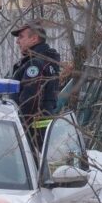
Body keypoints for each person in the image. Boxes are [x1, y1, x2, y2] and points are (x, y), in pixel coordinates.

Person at [7, 20, 61, 150]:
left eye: (21, 37)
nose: (17, 41)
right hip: (38, 131)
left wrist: (17, 128)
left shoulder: (35, 64)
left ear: (34, 39)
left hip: (31, 133)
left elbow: (29, 102)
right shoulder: (45, 60)